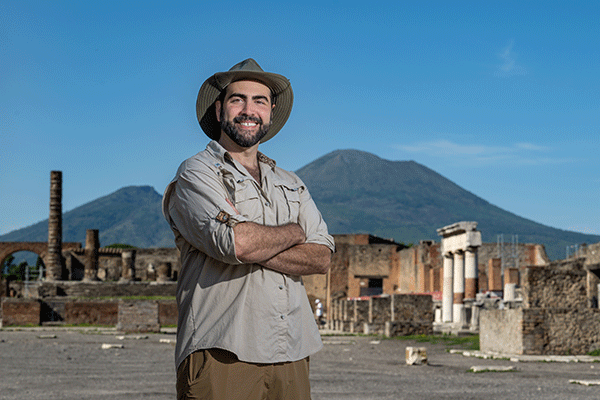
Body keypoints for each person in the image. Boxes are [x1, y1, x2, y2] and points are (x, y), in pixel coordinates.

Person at [162, 58, 335, 400]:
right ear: (219, 109)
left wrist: (258, 243)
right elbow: (236, 243)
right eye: (237, 99)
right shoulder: (196, 173)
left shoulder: (290, 182)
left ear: (271, 111)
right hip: (223, 350)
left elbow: (322, 258)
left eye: (259, 101)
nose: (248, 110)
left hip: (292, 351)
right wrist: (295, 232)